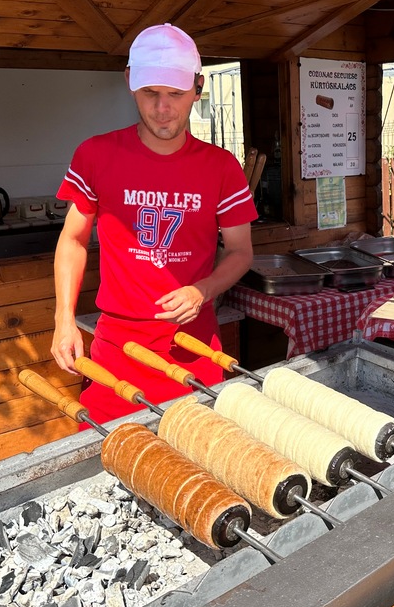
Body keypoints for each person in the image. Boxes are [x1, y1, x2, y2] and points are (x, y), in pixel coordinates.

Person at [51, 23, 258, 424]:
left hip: (192, 344)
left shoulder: (221, 167)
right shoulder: (95, 155)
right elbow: (73, 241)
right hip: (117, 347)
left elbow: (240, 251)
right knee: (113, 450)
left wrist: (203, 290)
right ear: (130, 82)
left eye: (175, 94)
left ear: (198, 87)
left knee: (198, 447)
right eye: (150, 93)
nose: (162, 108)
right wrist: (64, 321)